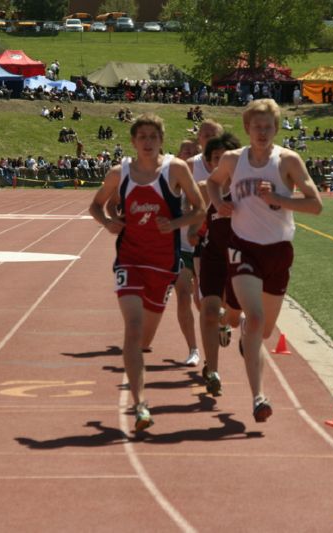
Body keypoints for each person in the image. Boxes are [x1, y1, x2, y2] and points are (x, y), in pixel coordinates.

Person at [206, 99, 322, 422]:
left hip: (278, 252)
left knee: (264, 330)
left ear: (276, 129)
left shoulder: (287, 161)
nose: (261, 132)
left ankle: (238, 323)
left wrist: (280, 199)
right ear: (246, 128)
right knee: (255, 319)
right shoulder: (233, 160)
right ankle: (258, 397)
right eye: (256, 126)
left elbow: (316, 204)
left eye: (267, 126)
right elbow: (213, 183)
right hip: (243, 247)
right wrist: (218, 204)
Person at [89, 113, 205, 431]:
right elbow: (96, 205)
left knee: (145, 338)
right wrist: (109, 222)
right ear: (133, 141)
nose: (148, 141)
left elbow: (200, 208)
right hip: (129, 259)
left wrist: (176, 224)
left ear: (161, 139)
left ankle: (139, 392)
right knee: (133, 328)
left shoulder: (175, 170)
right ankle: (141, 406)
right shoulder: (120, 173)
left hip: (163, 264)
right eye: (142, 136)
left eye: (153, 136)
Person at [195, 133, 242, 397]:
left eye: (228, 158)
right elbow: (193, 213)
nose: (222, 163)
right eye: (216, 159)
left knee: (232, 316)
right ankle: (212, 370)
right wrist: (195, 229)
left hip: (241, 258)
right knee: (209, 310)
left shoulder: (247, 188)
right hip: (213, 256)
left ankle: (233, 325)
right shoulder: (204, 188)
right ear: (211, 163)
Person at [177, 119, 224, 367]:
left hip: (214, 244)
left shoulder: (230, 164)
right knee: (184, 296)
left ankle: (220, 326)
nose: (206, 137)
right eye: (203, 134)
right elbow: (168, 190)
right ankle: (194, 349)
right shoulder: (189, 166)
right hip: (184, 243)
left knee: (204, 301)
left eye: (212, 134)